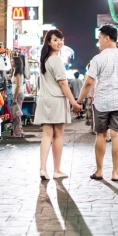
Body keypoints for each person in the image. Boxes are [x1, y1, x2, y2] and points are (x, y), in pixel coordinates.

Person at [76, 25, 118, 182]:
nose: (98, 43)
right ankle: (115, 173)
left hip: (102, 102)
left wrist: (78, 101)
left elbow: (89, 82)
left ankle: (99, 171)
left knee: (101, 135)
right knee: (117, 135)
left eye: (99, 39)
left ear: (107, 38)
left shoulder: (98, 59)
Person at [33, 29, 82, 180]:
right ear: (48, 42)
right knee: (58, 135)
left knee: (47, 135)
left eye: (61, 39)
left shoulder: (45, 59)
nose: (59, 42)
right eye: (55, 40)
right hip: (57, 99)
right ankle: (56, 169)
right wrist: (74, 102)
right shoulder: (56, 59)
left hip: (45, 99)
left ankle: (42, 168)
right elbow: (63, 83)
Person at [11, 57, 26, 137]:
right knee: (16, 113)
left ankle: (18, 132)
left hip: (18, 94)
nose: (11, 62)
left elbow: (18, 85)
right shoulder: (15, 71)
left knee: (17, 113)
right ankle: (19, 131)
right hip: (17, 94)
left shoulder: (17, 72)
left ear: (16, 62)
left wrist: (15, 97)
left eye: (12, 61)